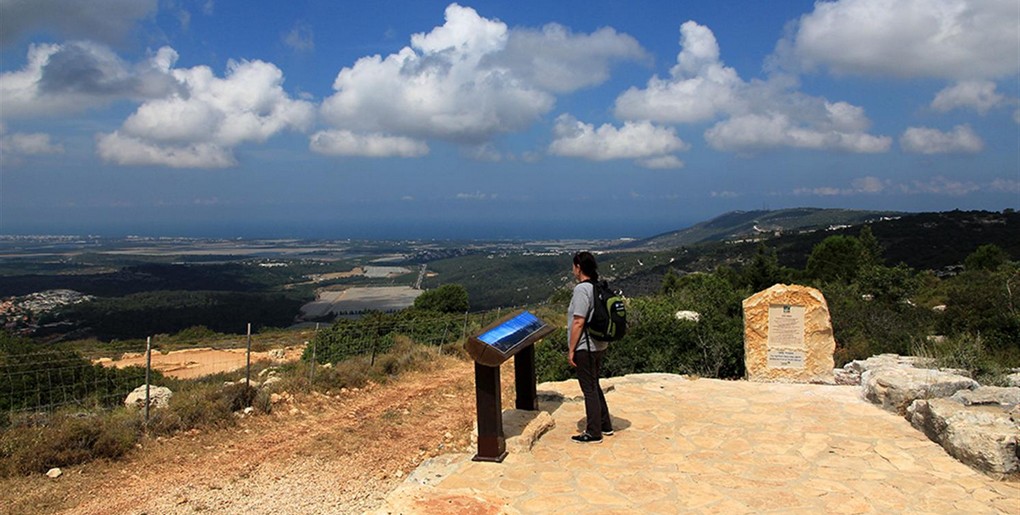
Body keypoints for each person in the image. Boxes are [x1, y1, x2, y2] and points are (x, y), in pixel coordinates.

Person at [566, 251, 613, 443]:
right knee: (594, 384)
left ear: (578, 267)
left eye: (573, 266)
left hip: (585, 346)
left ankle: (594, 432)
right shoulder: (597, 286)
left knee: (589, 389)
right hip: (599, 344)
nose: (572, 270)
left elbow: (578, 321)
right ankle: (605, 424)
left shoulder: (582, 289)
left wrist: (571, 349)